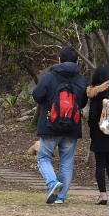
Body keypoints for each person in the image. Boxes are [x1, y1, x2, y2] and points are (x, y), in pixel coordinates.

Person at [32, 45, 88, 205]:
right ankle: (61, 197)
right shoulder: (81, 79)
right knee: (67, 162)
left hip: (51, 125)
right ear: (77, 61)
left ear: (59, 59)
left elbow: (37, 95)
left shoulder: (50, 76)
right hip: (72, 127)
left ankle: (52, 183)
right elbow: (83, 103)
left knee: (43, 157)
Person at [86, 63, 109, 205]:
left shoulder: (95, 94)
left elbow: (93, 115)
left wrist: (94, 128)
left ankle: (103, 195)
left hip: (100, 133)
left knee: (100, 164)